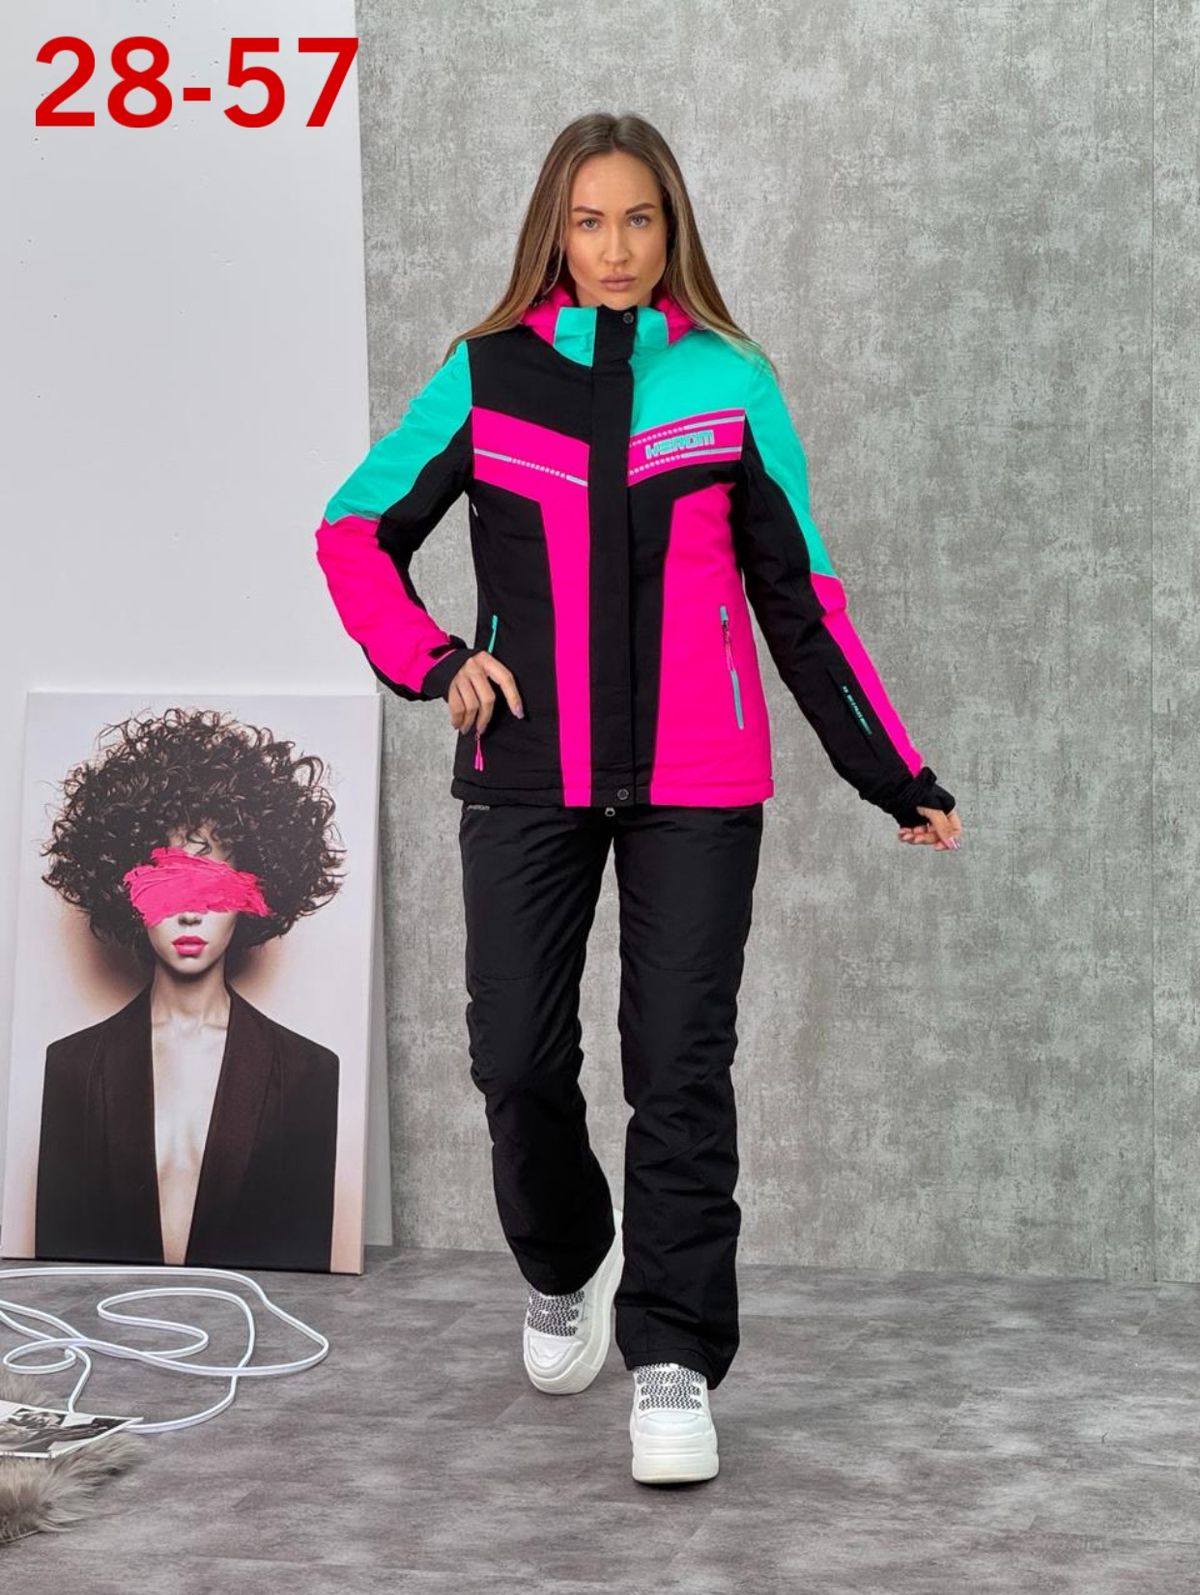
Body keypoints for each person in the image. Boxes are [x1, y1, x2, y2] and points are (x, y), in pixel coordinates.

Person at [314, 110, 963, 1484]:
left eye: (641, 220)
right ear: (555, 231)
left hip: (696, 776)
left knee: (679, 1068)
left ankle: (673, 1359)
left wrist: (889, 771)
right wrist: (436, 660)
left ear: (675, 230)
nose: (615, 248)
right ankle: (569, 1262)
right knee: (515, 1059)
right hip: (525, 766)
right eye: (590, 221)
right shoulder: (487, 374)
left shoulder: (730, 380)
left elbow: (802, 599)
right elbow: (355, 531)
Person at [35, 706, 345, 1273]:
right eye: (165, 883)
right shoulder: (73, 1068)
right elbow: (59, 1275)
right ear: (126, 891)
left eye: (214, 886)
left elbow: (305, 1274)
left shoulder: (308, 1072)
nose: (189, 912)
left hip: (252, 1324)